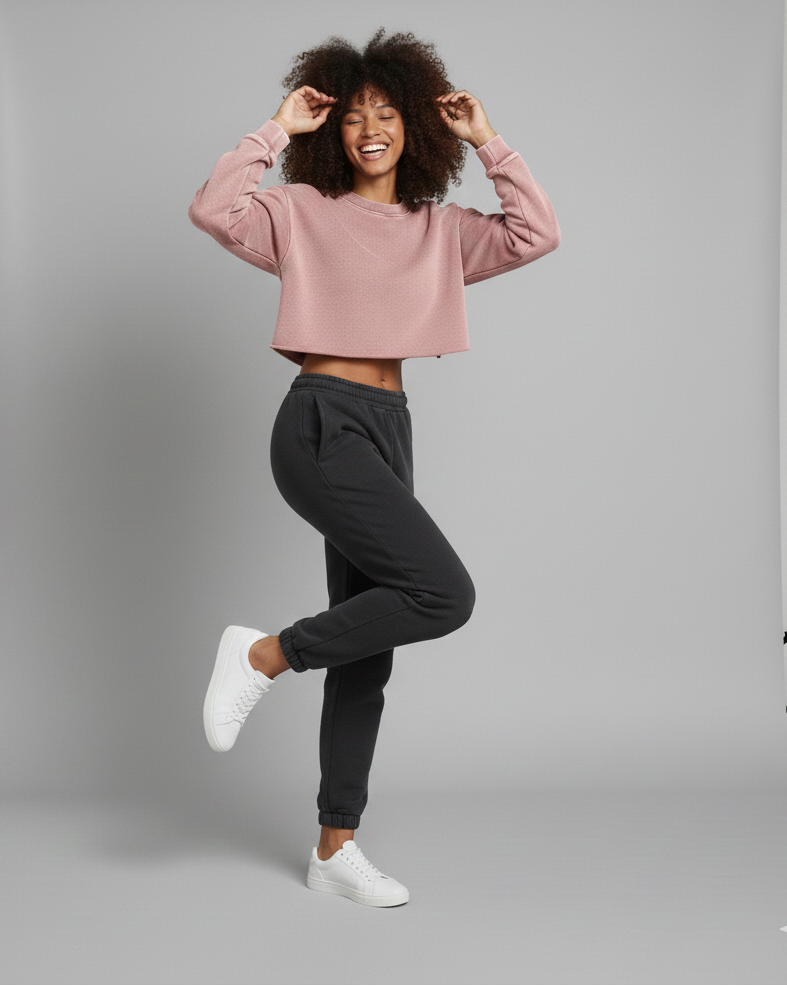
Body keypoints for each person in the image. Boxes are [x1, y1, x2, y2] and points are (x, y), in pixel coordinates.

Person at [188, 27, 560, 908]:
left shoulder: (439, 231)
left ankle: (332, 849)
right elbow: (213, 209)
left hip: (389, 427)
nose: (369, 130)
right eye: (353, 116)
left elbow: (537, 232)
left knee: (371, 651)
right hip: (321, 422)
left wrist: (488, 139)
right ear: (333, 130)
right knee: (444, 594)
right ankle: (266, 654)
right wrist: (274, 130)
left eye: (385, 113)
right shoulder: (299, 212)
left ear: (412, 127)